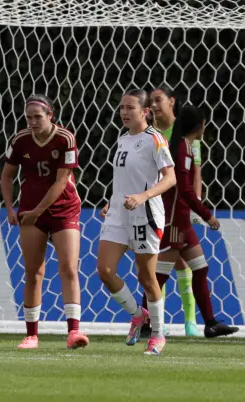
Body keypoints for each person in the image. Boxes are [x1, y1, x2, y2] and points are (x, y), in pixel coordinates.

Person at [0, 94, 89, 350]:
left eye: (38, 116)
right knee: (33, 273)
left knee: (69, 268)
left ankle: (74, 332)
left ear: (50, 115)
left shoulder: (65, 138)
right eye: (28, 117)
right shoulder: (20, 139)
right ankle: (31, 335)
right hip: (30, 210)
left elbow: (62, 181)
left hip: (64, 208)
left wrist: (39, 209)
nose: (32, 121)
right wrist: (9, 208)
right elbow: (7, 176)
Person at [97, 89, 176, 356]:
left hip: (146, 213)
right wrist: (112, 200)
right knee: (104, 270)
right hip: (120, 211)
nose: (124, 112)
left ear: (145, 112)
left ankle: (157, 334)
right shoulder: (122, 140)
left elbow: (170, 178)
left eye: (130, 108)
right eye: (121, 108)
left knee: (146, 276)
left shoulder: (156, 139)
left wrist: (143, 196)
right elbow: (123, 178)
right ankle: (137, 315)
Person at [154, 104, 238, 338]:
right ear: (199, 126)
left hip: (182, 221)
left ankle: (210, 323)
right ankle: (142, 321)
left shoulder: (187, 147)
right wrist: (207, 215)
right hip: (174, 221)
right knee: (160, 275)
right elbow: (185, 190)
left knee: (201, 268)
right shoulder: (182, 149)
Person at [140, 87, 201, 336]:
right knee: (158, 260)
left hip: (179, 206)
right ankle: (160, 321)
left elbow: (196, 171)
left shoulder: (186, 133)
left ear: (172, 101)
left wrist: (195, 203)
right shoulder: (148, 134)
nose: (153, 105)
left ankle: (189, 321)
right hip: (155, 204)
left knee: (181, 260)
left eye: (158, 100)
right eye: (150, 101)